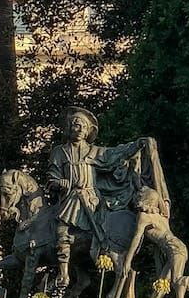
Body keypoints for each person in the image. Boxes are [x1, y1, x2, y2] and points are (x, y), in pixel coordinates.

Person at [47, 107, 144, 288]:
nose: (79, 129)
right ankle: (63, 273)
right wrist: (59, 183)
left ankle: (107, 254)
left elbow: (117, 153)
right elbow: (51, 178)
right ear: (69, 128)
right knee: (62, 231)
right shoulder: (59, 152)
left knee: (103, 229)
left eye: (83, 126)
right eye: (76, 125)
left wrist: (137, 145)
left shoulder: (95, 151)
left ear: (88, 132)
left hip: (91, 198)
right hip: (70, 199)